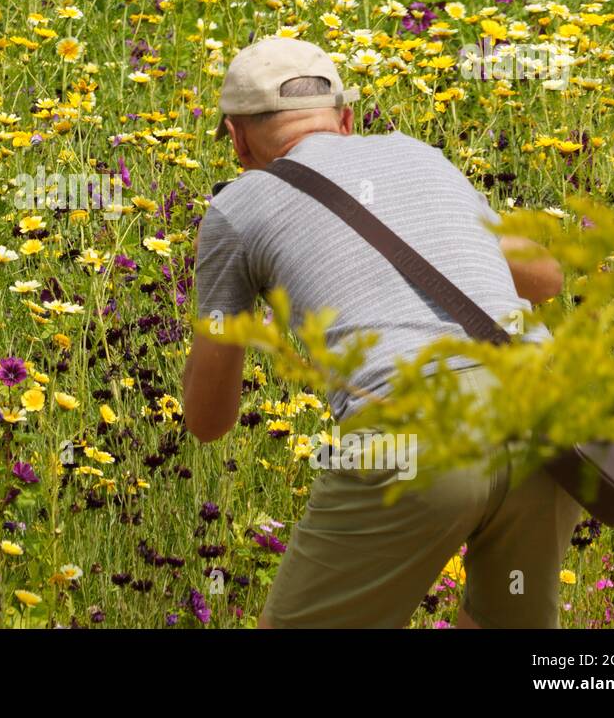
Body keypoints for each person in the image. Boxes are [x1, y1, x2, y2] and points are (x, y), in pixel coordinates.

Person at [183, 36, 582, 628]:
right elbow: (546, 278)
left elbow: (208, 420)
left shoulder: (240, 206)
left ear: (238, 138)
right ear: (346, 118)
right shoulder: (420, 156)